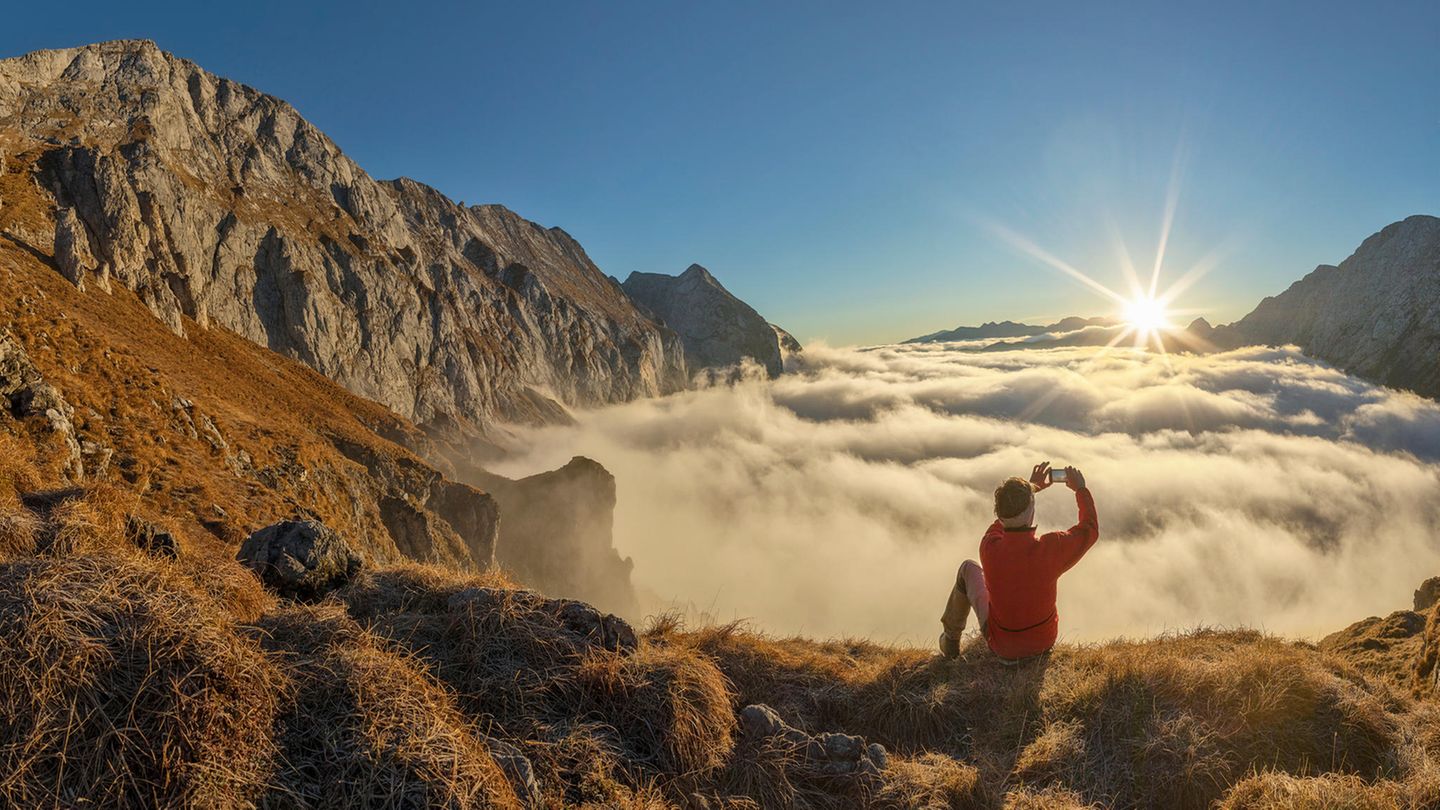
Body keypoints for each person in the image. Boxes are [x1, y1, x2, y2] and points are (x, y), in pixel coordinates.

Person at [939, 461, 1098, 663]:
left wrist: (1032, 489)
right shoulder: (1052, 548)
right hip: (1042, 643)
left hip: (1001, 646)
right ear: (1031, 511)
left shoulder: (989, 547)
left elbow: (999, 526)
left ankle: (950, 643)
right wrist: (1081, 489)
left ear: (999, 513)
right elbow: (1089, 528)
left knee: (967, 569)